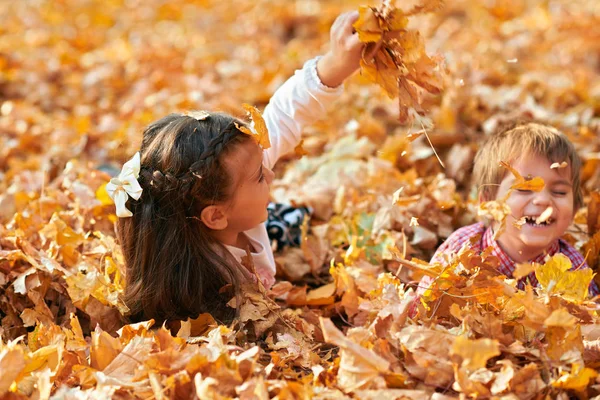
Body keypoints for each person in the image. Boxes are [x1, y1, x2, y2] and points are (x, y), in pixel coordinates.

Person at [106, 11, 364, 324]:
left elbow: (285, 114)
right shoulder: (209, 288)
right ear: (215, 216)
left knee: (294, 220)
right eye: (260, 177)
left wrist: (335, 65)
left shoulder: (229, 181)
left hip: (244, 219)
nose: (270, 172)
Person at [428, 121, 599, 296]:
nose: (542, 200)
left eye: (559, 192)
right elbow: (423, 307)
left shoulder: (573, 268)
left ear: (575, 208)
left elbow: (590, 319)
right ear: (488, 202)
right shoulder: (461, 249)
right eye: (524, 189)